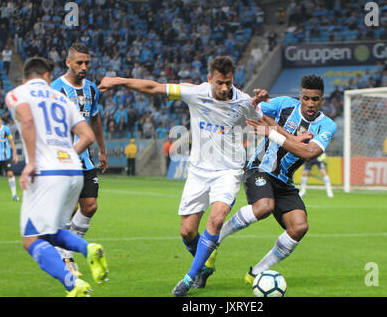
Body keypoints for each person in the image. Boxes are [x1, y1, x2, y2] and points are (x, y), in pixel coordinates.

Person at [98, 55, 263, 296]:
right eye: (220, 82)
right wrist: (117, 81)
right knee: (187, 231)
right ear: (209, 79)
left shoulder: (245, 101)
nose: (225, 88)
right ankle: (206, 261)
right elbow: (153, 87)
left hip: (229, 171)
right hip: (198, 171)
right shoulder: (195, 92)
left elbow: (266, 119)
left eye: (229, 82)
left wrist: (290, 135)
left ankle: (189, 278)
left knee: (216, 221)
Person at [213, 75, 337, 285]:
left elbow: (308, 153)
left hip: (284, 182)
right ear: (300, 96)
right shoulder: (283, 105)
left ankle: (256, 272)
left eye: (315, 99)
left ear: (322, 100)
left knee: (299, 227)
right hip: (260, 169)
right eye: (306, 98)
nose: (309, 104)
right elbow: (252, 112)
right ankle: (214, 240)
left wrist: (273, 133)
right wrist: (258, 103)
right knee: (264, 207)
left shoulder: (327, 125)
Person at [5, 57, 109, 297]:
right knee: (49, 231)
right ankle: (88, 248)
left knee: (30, 240)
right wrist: (65, 159)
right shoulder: (62, 98)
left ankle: (73, 284)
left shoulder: (16, 94)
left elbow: (27, 119)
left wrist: (32, 162)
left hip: (46, 171)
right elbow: (87, 136)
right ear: (46, 76)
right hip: (73, 168)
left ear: (26, 77)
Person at [50, 42, 108, 277]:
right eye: (79, 63)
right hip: (63, 159)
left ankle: (65, 251)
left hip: (85, 159)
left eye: (87, 63)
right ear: (68, 62)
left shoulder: (92, 89)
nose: (84, 67)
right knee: (69, 208)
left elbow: (95, 120)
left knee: (90, 206)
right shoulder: (55, 89)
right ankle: (66, 256)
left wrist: (102, 150)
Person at [0, 114, 19, 201]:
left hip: (6, 157)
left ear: (1, 120)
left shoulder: (6, 129)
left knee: (10, 174)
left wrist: (15, 154)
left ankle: (14, 195)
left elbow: (12, 142)